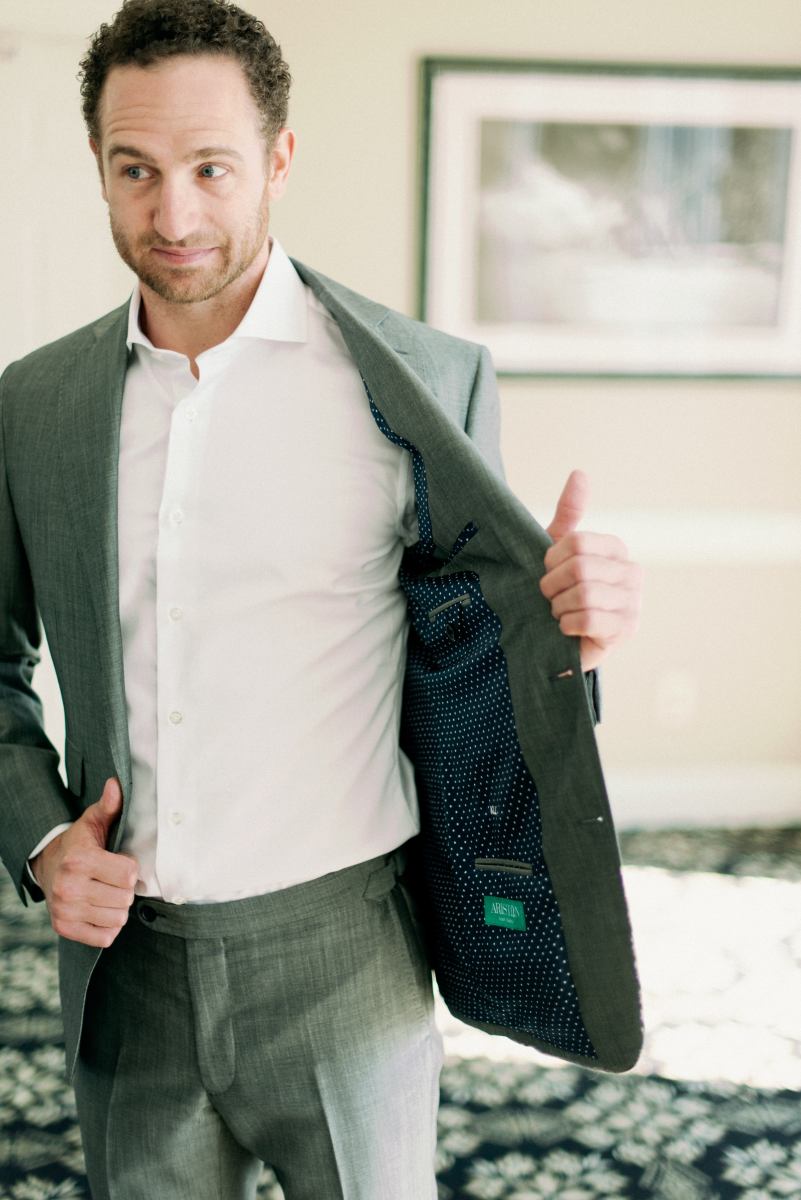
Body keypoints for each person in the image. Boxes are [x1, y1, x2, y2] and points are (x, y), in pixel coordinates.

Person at [0, 1, 643, 1197]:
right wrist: (41, 841)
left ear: (279, 158)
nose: (173, 215)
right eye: (135, 170)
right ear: (96, 162)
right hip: (125, 975)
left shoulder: (424, 383)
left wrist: (576, 637)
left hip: (347, 960)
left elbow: (484, 658)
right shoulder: (30, 407)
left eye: (211, 167)